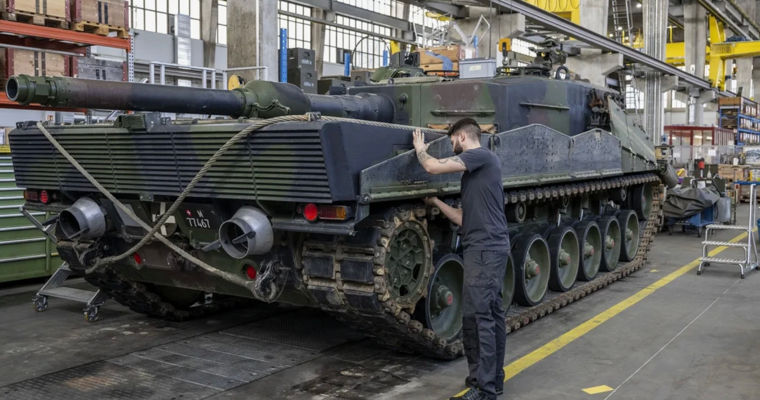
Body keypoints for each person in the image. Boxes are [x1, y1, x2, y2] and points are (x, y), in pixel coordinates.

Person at [412, 118, 510, 400]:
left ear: (462, 137)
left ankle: (485, 389)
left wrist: (420, 149)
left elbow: (432, 167)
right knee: (488, 314)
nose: (452, 143)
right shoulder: (478, 172)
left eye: (452, 139)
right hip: (485, 247)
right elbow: (462, 218)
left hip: (485, 250)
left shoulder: (480, 156)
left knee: (480, 318)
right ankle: (491, 378)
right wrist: (436, 202)